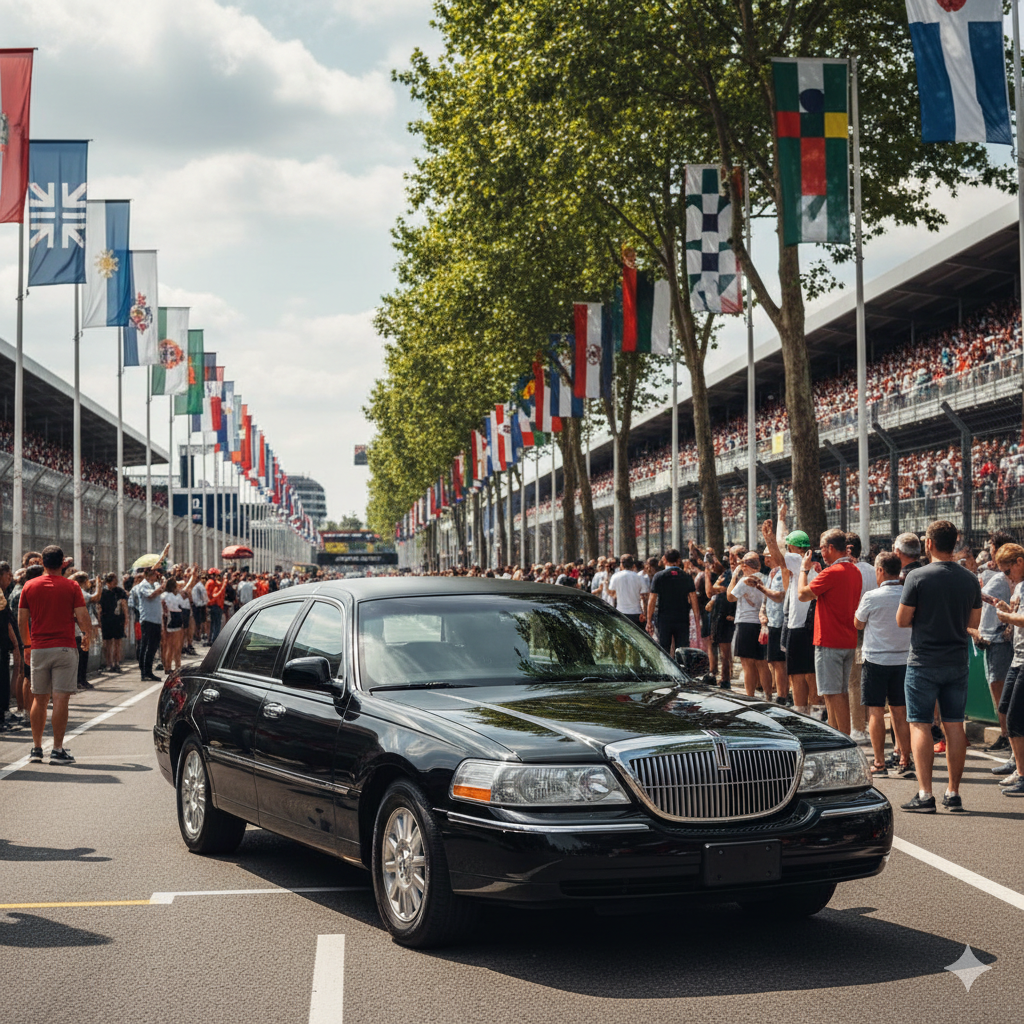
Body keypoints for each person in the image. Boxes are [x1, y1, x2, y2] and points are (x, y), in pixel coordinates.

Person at [897, 520, 982, 813]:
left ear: (929, 544)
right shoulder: (970, 579)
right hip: (956, 660)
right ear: (955, 542)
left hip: (923, 659)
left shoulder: (917, 577)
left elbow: (902, 619)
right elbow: (974, 624)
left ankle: (924, 794)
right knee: (954, 724)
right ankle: (954, 793)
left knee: (920, 723)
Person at [17, 545, 92, 765]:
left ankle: (36, 748)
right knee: (60, 699)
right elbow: (82, 615)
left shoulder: (29, 586)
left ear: (42, 562)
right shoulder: (72, 586)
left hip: (38, 648)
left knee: (39, 699)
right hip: (65, 647)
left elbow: (23, 620)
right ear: (63, 564)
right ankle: (57, 750)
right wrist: (86, 635)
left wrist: (27, 646)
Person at [798, 528, 862, 735]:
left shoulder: (833, 572)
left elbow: (802, 594)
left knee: (835, 694)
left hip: (829, 640)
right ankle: (837, 735)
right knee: (835, 693)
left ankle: (843, 738)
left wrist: (803, 570)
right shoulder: (855, 570)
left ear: (831, 548)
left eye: (823, 549)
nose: (821, 553)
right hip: (847, 639)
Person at [854, 551, 913, 777]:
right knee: (900, 711)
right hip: (903, 659)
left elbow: (858, 624)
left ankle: (879, 763)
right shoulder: (908, 594)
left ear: (880, 571)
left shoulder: (871, 596)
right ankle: (905, 760)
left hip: (876, 659)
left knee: (875, 711)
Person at [762, 508, 820, 717]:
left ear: (794, 548)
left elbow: (779, 558)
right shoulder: (808, 563)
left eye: (788, 547)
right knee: (804, 673)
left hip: (800, 625)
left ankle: (805, 712)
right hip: (806, 624)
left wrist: (769, 540)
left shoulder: (798, 559)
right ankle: (812, 712)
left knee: (801, 674)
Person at [990, 544, 1024, 795]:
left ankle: (1022, 773)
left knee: (1014, 718)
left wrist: (1008, 617)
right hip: (1018, 657)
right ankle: (1018, 764)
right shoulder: (1020, 585)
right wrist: (1009, 610)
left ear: (1020, 562)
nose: (1007, 576)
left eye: (1008, 570)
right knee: (1005, 709)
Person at [727, 551, 772, 698]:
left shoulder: (744, 581)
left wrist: (735, 575)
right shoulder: (766, 578)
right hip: (761, 623)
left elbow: (730, 597)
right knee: (762, 663)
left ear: (746, 565)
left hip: (745, 623)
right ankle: (768, 694)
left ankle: (750, 696)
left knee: (747, 665)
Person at [645, 549, 700, 655]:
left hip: (664, 618)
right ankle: (682, 670)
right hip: (682, 618)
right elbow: (694, 599)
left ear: (664, 560)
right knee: (683, 649)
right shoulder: (686, 577)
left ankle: (667, 670)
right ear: (679, 561)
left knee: (664, 648)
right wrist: (697, 619)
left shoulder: (659, 576)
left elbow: (652, 600)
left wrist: (649, 620)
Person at [759, 548, 790, 705]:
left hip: (780, 621)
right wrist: (762, 613)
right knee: (773, 661)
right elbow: (765, 600)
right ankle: (781, 692)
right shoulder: (770, 575)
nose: (766, 559)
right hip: (771, 621)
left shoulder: (781, 573)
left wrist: (760, 588)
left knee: (779, 661)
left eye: (768, 556)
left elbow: (779, 596)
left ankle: (782, 695)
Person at [136, 567, 167, 681]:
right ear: (148, 576)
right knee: (147, 645)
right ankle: (144, 671)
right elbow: (151, 595)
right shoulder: (143, 585)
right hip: (148, 619)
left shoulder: (154, 585)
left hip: (156, 620)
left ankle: (149, 670)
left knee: (153, 646)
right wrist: (162, 586)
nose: (156, 577)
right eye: (154, 575)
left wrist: (161, 585)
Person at [98, 572, 128, 672]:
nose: (115, 583)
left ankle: (116, 662)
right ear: (108, 582)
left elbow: (124, 605)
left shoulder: (119, 591)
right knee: (107, 642)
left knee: (117, 642)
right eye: (113, 581)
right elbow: (99, 607)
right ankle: (109, 663)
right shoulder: (103, 592)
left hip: (118, 618)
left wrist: (126, 618)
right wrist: (99, 621)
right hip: (106, 618)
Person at [607, 555, 645, 627]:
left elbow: (611, 593)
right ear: (633, 565)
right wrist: (645, 613)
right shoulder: (639, 577)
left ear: (621, 564)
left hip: (621, 612)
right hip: (636, 612)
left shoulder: (615, 576)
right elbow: (644, 596)